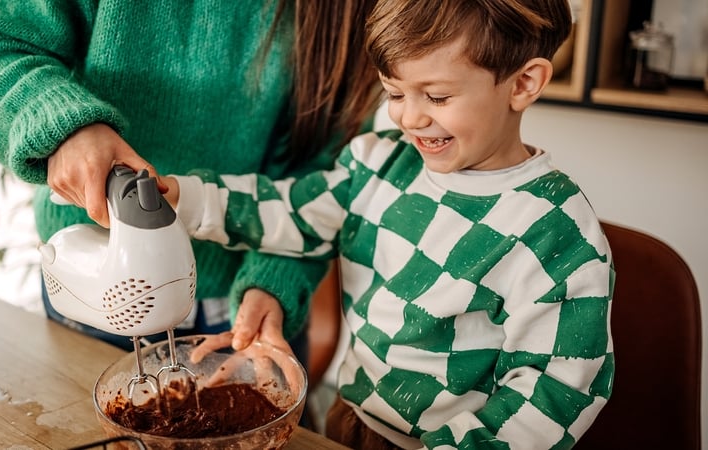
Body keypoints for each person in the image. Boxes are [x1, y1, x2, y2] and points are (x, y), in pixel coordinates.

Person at [162, 0, 615, 448]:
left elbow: (555, 387)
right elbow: (288, 210)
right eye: (395, 93)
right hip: (351, 419)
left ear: (523, 83)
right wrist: (184, 197)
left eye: (437, 96)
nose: (410, 118)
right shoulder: (375, 164)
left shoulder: (554, 230)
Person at [0, 1, 382, 359]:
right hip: (98, 287)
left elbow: (327, 172)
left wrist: (275, 279)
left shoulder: (344, 14)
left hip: (245, 306)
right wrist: (64, 127)